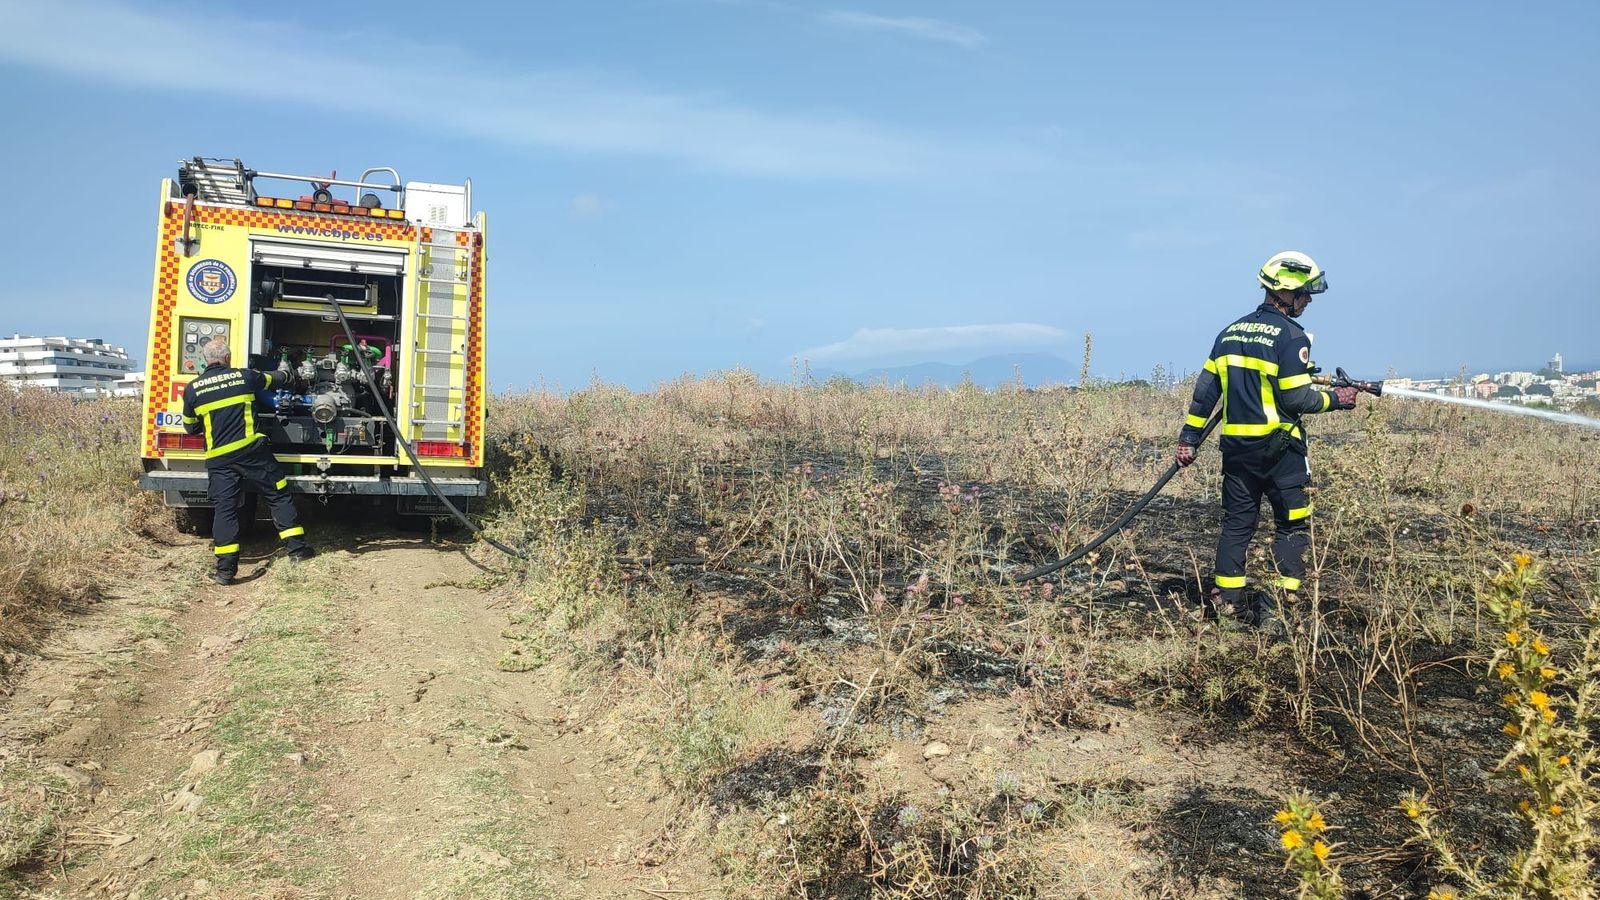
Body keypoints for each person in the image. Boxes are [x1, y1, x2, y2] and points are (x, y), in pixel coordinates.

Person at [1174, 251, 1359, 627]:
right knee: (1292, 525)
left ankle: (1228, 608)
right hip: (1282, 452)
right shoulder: (1292, 337)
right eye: (1305, 294)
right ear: (1285, 293)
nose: (1308, 301)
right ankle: (1276, 609)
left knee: (1237, 525)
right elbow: (1297, 398)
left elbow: (1206, 392)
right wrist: (1336, 400)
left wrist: (1188, 439)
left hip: (1238, 452)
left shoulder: (1229, 333)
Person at [182, 337, 315, 584]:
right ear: (228, 358)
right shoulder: (243, 377)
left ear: (205, 360)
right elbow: (272, 379)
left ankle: (225, 572)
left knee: (225, 509)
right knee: (277, 494)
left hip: (219, 458)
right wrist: (290, 376)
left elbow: (190, 427)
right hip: (251, 452)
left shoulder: (193, 389)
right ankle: (297, 551)